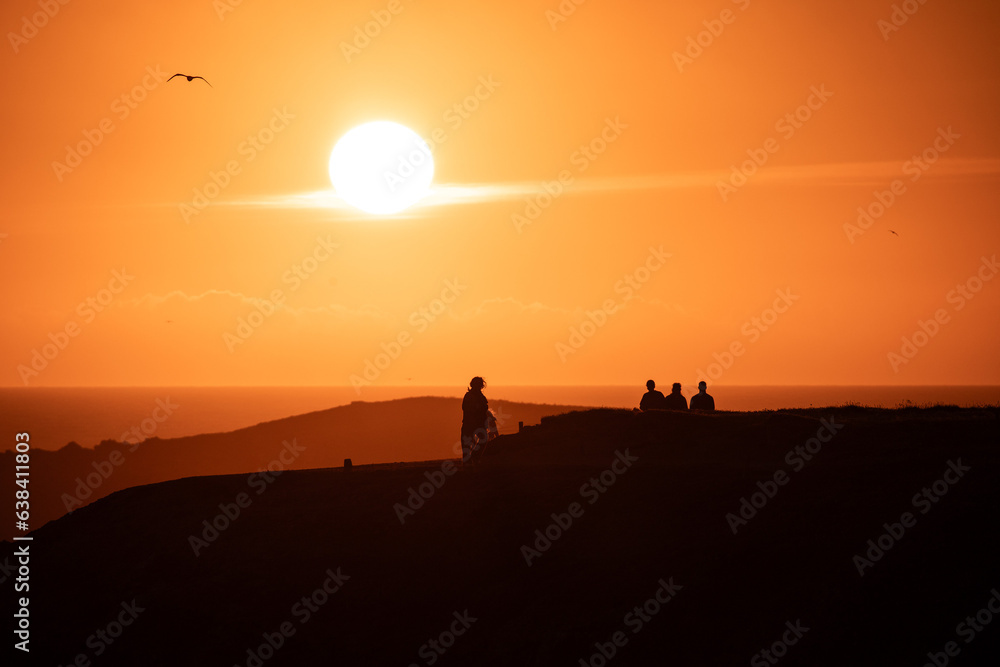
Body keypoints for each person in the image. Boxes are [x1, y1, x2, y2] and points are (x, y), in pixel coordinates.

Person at [461, 377, 490, 464]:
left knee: (481, 440)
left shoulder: (480, 397)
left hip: (476, 423)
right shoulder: (470, 396)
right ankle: (471, 462)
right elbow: (467, 409)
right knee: (467, 445)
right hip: (470, 423)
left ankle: (473, 459)